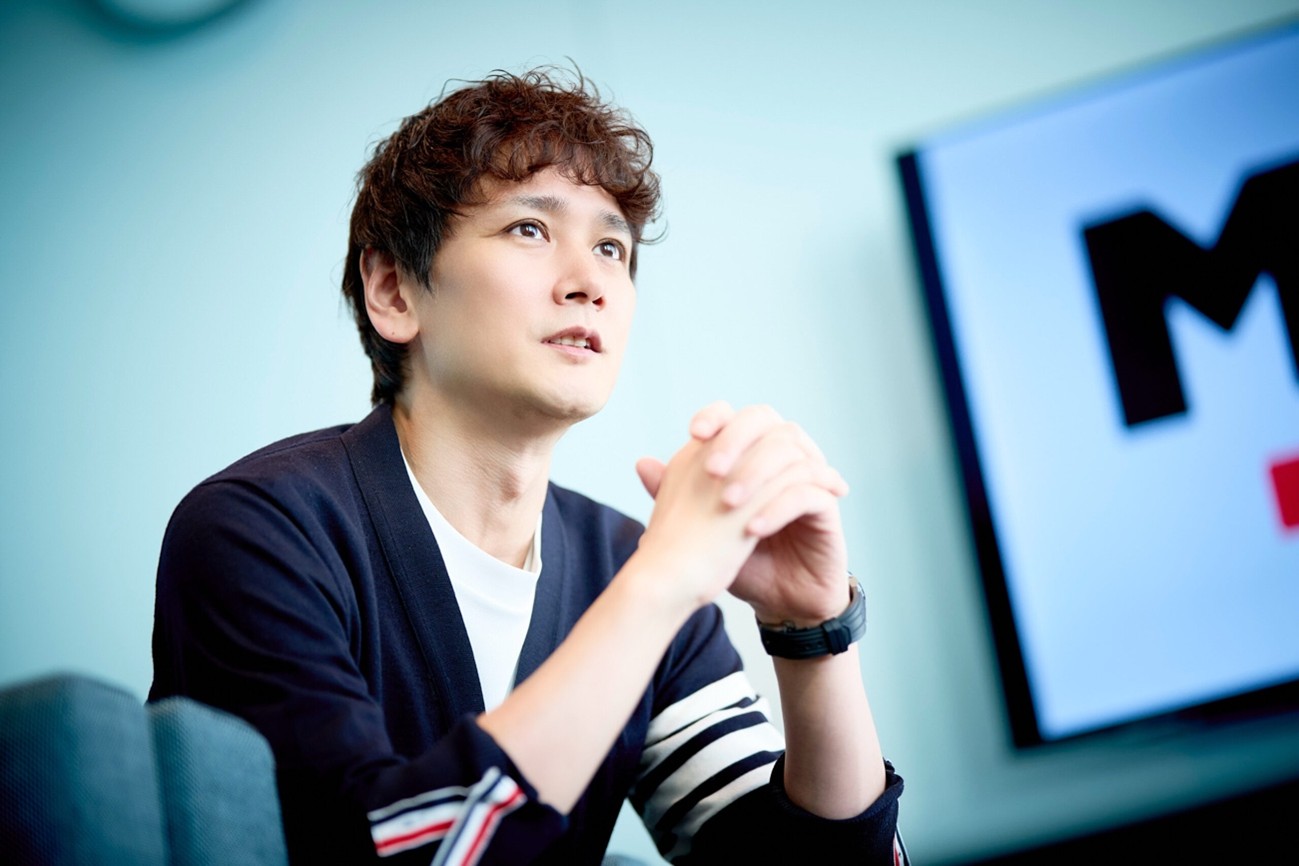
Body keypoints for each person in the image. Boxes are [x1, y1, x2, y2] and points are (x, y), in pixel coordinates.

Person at [150, 67, 906, 865]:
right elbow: (388, 852)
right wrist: (660, 585)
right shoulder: (257, 531)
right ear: (394, 290)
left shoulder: (625, 563)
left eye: (610, 247)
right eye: (529, 230)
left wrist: (811, 631)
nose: (590, 284)